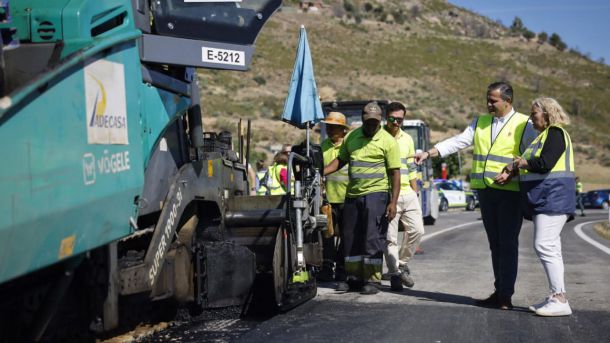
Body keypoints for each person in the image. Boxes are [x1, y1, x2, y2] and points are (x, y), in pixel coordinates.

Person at [415, 81, 537, 309]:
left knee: (507, 244)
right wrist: (429, 153)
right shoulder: (480, 122)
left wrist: (514, 171)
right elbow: (458, 141)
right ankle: (499, 291)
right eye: (487, 99)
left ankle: (505, 296)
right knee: (495, 244)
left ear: (507, 101)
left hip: (510, 193)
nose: (488, 104)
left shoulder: (524, 124)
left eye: (494, 100)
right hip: (485, 192)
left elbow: (532, 155)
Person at [501, 97, 575, 316]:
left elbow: (545, 163)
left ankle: (560, 299)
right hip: (547, 198)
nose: (531, 118)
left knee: (544, 245)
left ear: (547, 113)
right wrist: (518, 166)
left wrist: (521, 162)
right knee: (551, 247)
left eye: (534, 114)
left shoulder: (555, 133)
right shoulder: (544, 136)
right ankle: (557, 295)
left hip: (553, 198)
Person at [324, 102, 401, 294]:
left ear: (380, 120)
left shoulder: (388, 141)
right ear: (363, 119)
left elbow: (395, 174)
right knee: (350, 238)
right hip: (353, 195)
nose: (372, 125)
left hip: (377, 195)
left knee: (371, 238)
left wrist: (393, 203)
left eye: (375, 122)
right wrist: (321, 171)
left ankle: (372, 280)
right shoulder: (352, 137)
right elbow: (340, 160)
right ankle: (353, 278)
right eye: (368, 121)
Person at [382, 102, 425, 291]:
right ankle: (395, 276)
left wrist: (416, 191)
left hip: (408, 192)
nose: (397, 123)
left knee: (418, 230)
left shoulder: (407, 139)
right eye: (393, 119)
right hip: (389, 194)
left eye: (400, 119)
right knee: (390, 238)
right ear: (386, 117)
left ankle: (399, 264)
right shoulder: (380, 137)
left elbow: (411, 167)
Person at [318, 111, 350, 283]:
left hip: (347, 199)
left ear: (342, 129)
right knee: (328, 236)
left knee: (346, 237)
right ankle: (327, 269)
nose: (330, 130)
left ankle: (342, 269)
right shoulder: (323, 146)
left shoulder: (350, 145)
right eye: (329, 126)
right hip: (328, 200)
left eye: (334, 127)